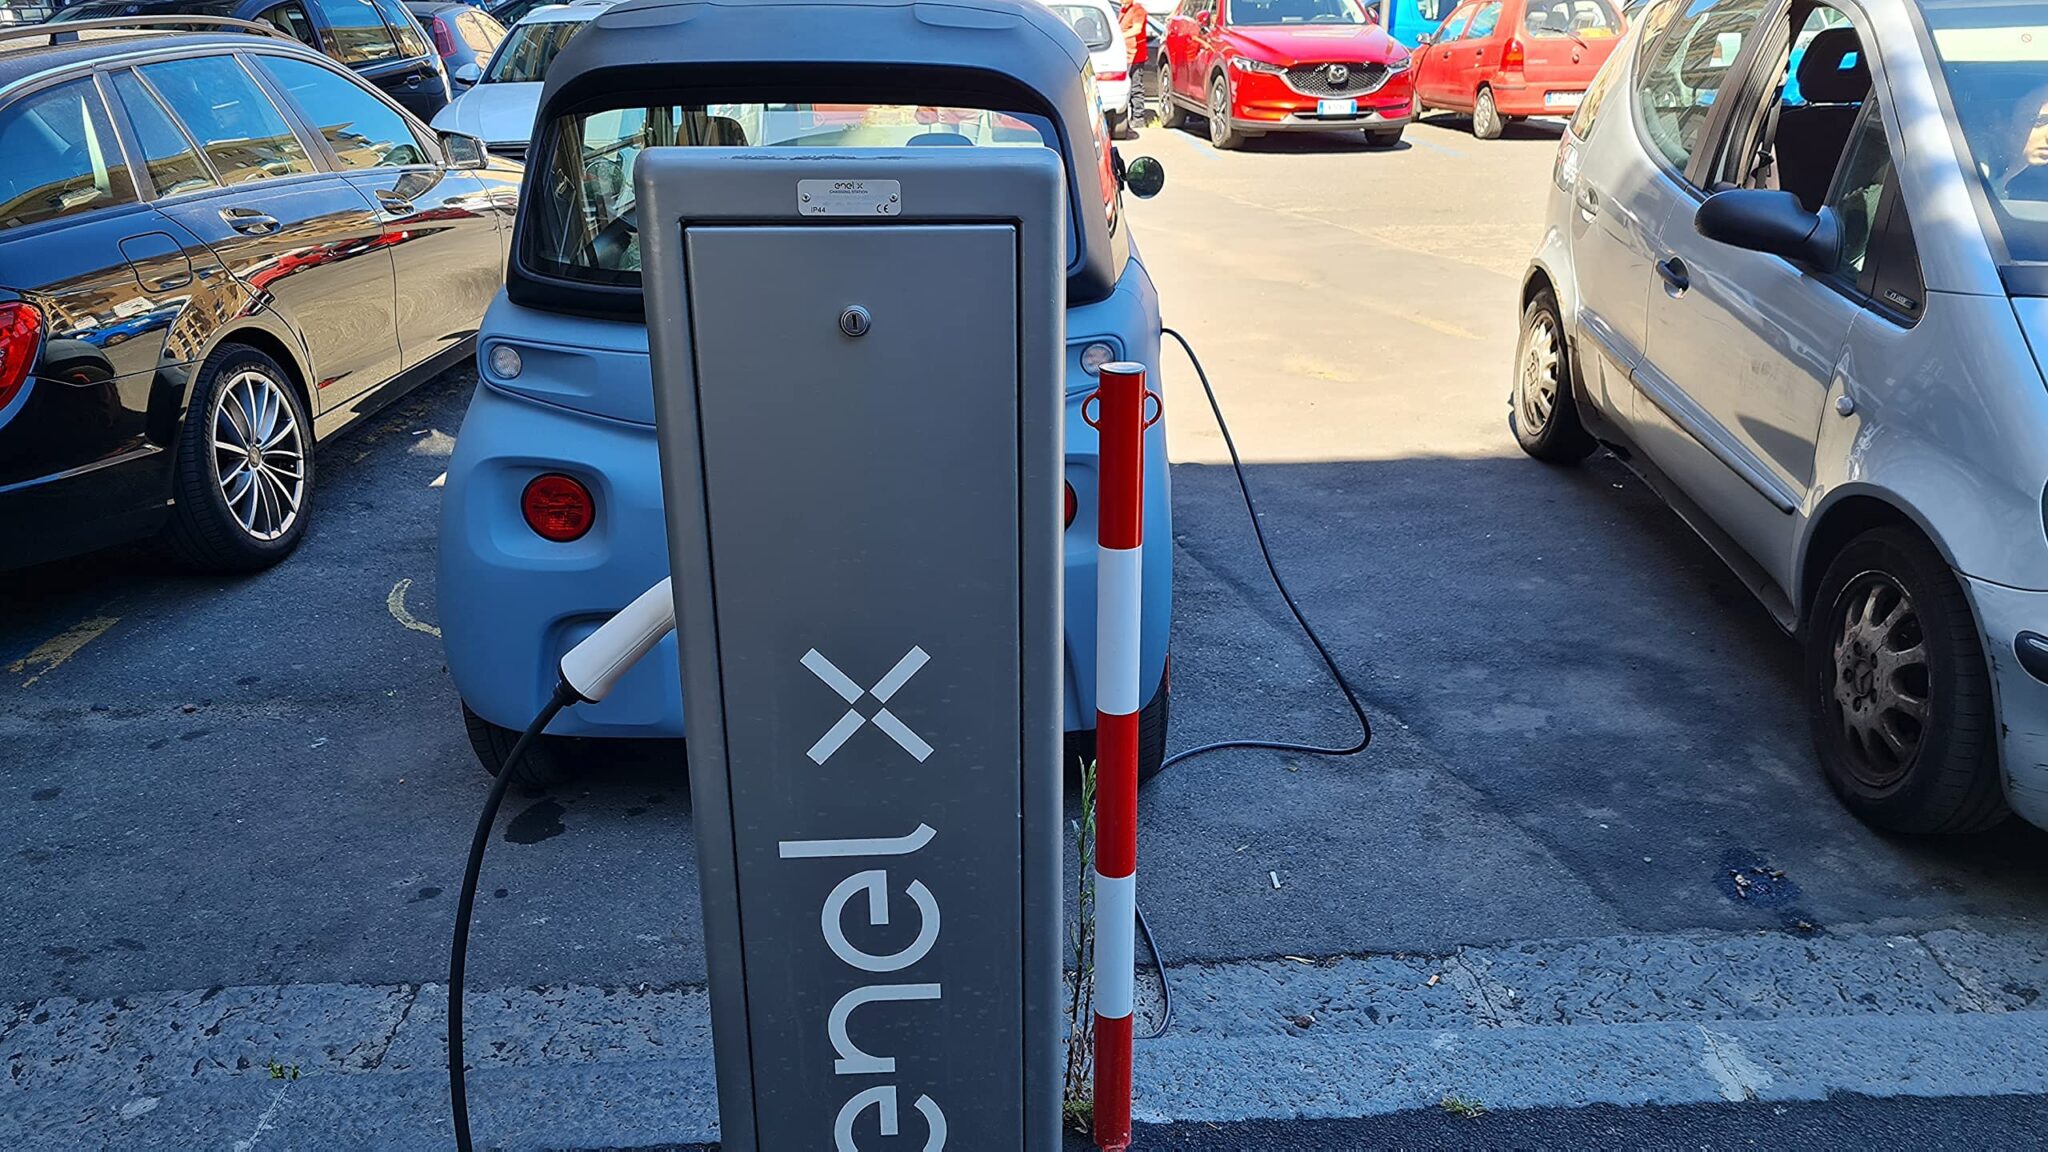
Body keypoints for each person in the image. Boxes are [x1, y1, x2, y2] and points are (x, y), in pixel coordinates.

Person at [1120, 0, 1150, 128]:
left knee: (1135, 88)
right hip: (1123, 56)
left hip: (1135, 57)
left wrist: (1119, 36)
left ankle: (1138, 118)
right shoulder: (1123, 11)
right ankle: (1128, 119)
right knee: (1126, 88)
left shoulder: (1138, 10)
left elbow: (1137, 29)